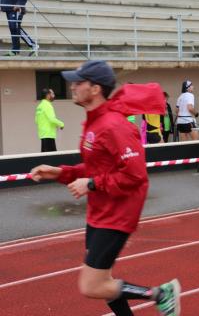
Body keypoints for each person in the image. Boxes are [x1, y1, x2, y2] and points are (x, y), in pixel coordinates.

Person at [29, 60, 181, 316]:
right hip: (99, 211)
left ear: (95, 88)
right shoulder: (94, 122)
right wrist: (60, 173)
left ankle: (160, 294)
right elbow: (95, 168)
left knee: (91, 285)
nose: (72, 87)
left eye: (79, 82)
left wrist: (91, 184)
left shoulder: (114, 125)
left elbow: (135, 175)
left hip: (117, 215)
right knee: (103, 282)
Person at [35, 88, 64, 152]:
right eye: (52, 94)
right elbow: (51, 119)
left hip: (42, 135)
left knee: (45, 157)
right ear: (48, 95)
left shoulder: (39, 106)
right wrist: (61, 124)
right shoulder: (47, 105)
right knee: (52, 158)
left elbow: (36, 121)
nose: (54, 95)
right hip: (49, 135)